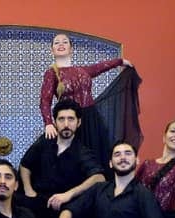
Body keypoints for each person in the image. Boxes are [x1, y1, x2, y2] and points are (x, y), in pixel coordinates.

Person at [40, 32, 134, 164]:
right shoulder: (51, 73)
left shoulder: (83, 70)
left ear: (71, 49)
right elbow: (45, 100)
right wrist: (48, 123)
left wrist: (120, 61)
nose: (61, 44)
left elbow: (101, 66)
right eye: (57, 42)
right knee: (74, 159)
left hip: (91, 119)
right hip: (70, 122)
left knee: (97, 156)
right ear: (52, 50)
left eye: (65, 42)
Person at [19, 99, 105, 218]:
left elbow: (99, 177)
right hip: (37, 199)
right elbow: (25, 165)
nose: (66, 124)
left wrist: (68, 195)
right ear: (55, 122)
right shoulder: (45, 141)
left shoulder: (82, 151)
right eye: (61, 119)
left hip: (63, 203)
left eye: (71, 119)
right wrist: (28, 189)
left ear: (78, 122)